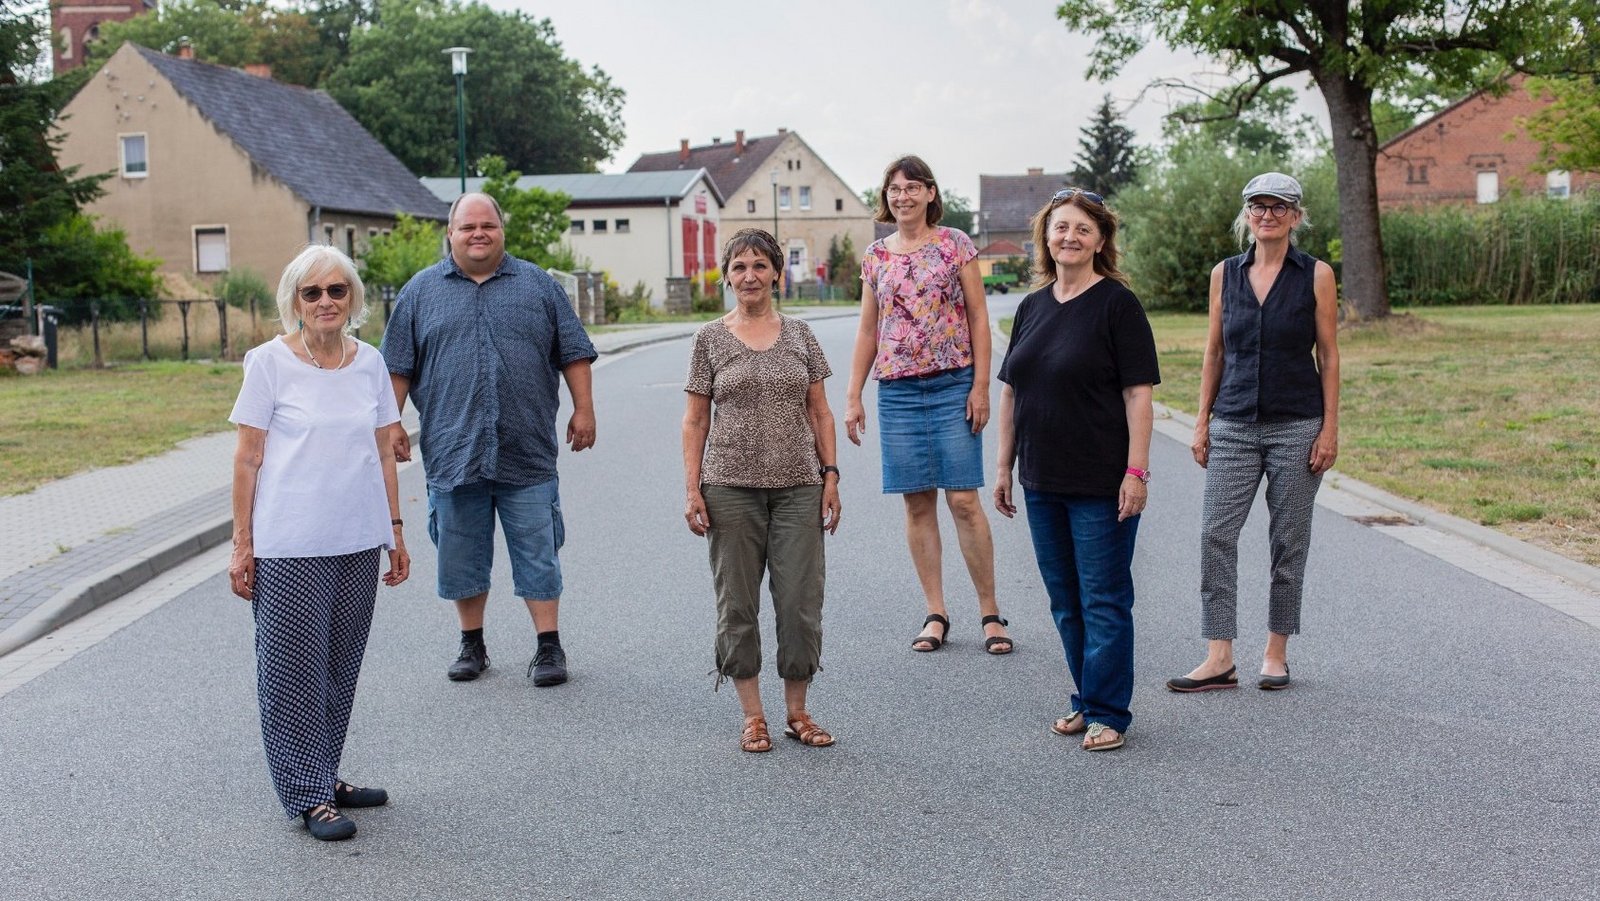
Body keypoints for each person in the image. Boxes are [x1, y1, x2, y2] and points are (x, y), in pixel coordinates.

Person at [229, 245, 410, 840]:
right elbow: (248, 460)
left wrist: (395, 533)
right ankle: (306, 794)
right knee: (291, 672)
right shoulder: (268, 363)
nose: (326, 302)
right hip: (290, 543)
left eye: (337, 291)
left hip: (357, 538)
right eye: (313, 293)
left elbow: (385, 449)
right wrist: (242, 545)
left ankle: (324, 773)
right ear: (294, 302)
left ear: (352, 297)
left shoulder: (370, 362)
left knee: (338, 667)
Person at [382, 192, 597, 686]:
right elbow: (396, 365)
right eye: (467, 227)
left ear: (502, 230)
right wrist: (391, 422)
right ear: (450, 234)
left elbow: (574, 352)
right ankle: (471, 643)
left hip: (526, 449)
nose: (478, 234)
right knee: (460, 553)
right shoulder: (419, 293)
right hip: (453, 450)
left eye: (488, 226)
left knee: (537, 550)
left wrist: (584, 409)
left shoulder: (539, 286)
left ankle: (548, 647)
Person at [993, 189, 1159, 752]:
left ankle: (1109, 711)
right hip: (1041, 481)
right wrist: (1003, 466)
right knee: (1064, 599)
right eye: (1060, 227)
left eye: (1082, 229)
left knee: (1104, 598)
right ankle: (1088, 700)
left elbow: (1139, 396)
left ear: (1100, 240)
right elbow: (1013, 391)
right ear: (1046, 236)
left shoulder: (1117, 305)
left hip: (1100, 482)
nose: (1070, 237)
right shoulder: (1031, 307)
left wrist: (1136, 472)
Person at [1167, 172, 1340, 694]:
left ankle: (1275, 651)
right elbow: (1214, 351)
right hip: (1234, 421)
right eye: (1257, 206)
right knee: (1215, 534)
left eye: (1278, 206)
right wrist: (1202, 421)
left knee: (1288, 540)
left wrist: (1330, 427)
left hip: (1297, 424)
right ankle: (1219, 655)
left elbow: (1328, 355)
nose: (1267, 215)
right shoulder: (1225, 273)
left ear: (1295, 215)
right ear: (1247, 215)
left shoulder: (1316, 274)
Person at [844, 155, 1012, 655]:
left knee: (963, 500)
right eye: (895, 189)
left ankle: (990, 613)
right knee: (917, 502)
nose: (903, 196)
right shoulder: (875, 256)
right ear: (887, 197)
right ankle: (935, 612)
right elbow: (868, 329)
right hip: (897, 390)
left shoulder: (955, 244)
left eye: (913, 187)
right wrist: (854, 394)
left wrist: (981, 386)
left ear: (931, 194)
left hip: (952, 384)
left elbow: (979, 318)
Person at [683, 228, 842, 753]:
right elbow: (695, 421)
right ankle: (753, 715)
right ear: (726, 276)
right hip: (729, 487)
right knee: (737, 604)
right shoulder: (709, 338)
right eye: (738, 267)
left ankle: (797, 710)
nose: (748, 276)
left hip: (799, 485)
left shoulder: (801, 336)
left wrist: (831, 475)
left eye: (759, 266)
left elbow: (820, 411)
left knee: (799, 602)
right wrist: (693, 489)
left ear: (776, 272)